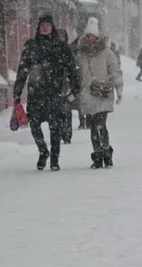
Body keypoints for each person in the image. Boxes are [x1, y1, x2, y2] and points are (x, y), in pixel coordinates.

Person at [13, 14, 79, 171]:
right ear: (38, 27)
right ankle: (43, 151)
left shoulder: (60, 46)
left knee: (55, 127)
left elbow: (71, 68)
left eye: (48, 25)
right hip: (36, 92)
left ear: (52, 27)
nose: (45, 27)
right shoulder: (31, 46)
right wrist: (18, 90)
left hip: (55, 92)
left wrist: (74, 88)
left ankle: (54, 159)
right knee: (34, 125)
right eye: (42, 25)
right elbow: (23, 69)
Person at [76, 17, 124, 169]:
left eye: (92, 36)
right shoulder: (81, 55)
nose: (90, 39)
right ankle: (97, 156)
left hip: (103, 93)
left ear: (97, 37)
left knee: (100, 125)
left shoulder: (107, 53)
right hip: (88, 95)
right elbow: (76, 74)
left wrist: (119, 88)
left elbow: (115, 71)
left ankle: (106, 152)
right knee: (93, 126)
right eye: (88, 36)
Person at [55, 29, 75, 144]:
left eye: (63, 36)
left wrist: (73, 86)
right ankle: (60, 133)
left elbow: (73, 68)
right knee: (57, 113)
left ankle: (67, 135)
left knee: (67, 112)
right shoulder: (52, 49)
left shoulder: (68, 50)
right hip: (55, 86)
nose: (61, 38)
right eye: (59, 36)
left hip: (66, 85)